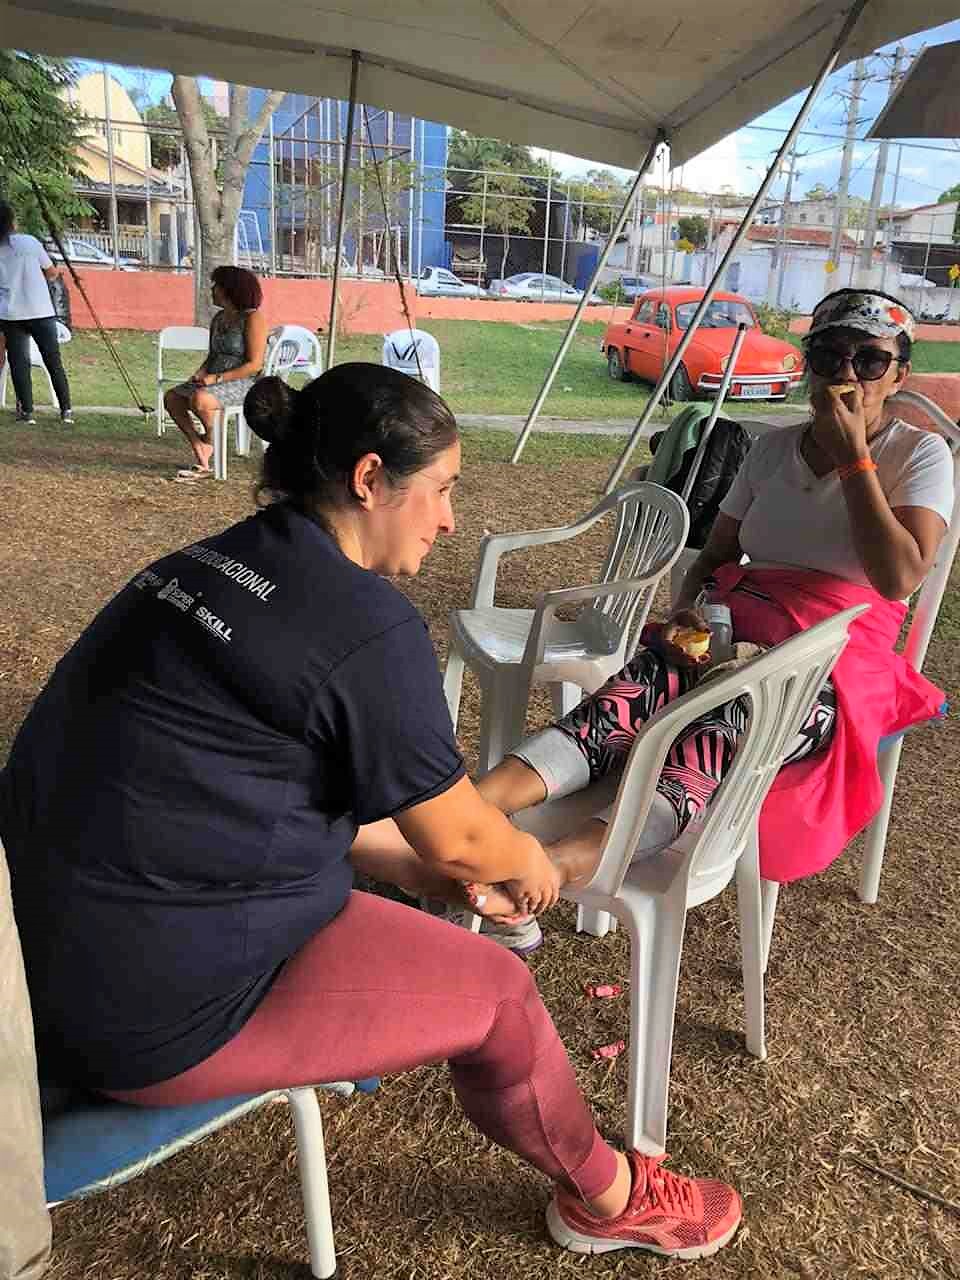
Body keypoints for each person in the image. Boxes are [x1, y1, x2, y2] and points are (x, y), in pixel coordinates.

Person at [1, 363, 741, 1262]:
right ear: (368, 480)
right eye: (442, 489)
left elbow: (282, 799)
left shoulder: (200, 566)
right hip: (147, 1015)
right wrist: (525, 864)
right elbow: (465, 841)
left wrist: (433, 867)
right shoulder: (365, 625)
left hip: (36, 957)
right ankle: (612, 1199)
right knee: (502, 996)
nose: (450, 520)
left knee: (422, 912)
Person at [448, 288, 954, 938]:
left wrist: (854, 457)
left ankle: (550, 869)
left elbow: (900, 576)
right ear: (810, 364)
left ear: (899, 374)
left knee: (715, 732)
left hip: (829, 662)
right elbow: (715, 555)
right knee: (626, 695)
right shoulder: (771, 450)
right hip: (733, 626)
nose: (847, 373)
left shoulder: (918, 455)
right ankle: (455, 820)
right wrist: (689, 609)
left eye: (870, 360)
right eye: (829, 354)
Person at [163, 265, 268, 481]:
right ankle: (200, 446)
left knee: (200, 400)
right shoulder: (219, 318)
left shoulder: (253, 318)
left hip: (244, 382)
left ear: (230, 289)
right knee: (172, 398)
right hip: (213, 379)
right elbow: (213, 355)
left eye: (216, 285)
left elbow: (255, 364)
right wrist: (200, 373)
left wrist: (217, 378)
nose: (212, 290)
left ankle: (211, 440)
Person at [0, 200, 73, 426]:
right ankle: (66, 411)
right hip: (40, 310)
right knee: (53, 361)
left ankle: (27, 413)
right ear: (12, 221)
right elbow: (51, 273)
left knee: (19, 364)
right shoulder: (30, 242)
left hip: (11, 314)